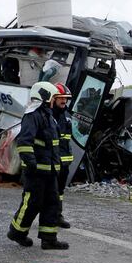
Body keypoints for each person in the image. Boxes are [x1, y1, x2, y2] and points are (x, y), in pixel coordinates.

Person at [7, 81, 69, 250]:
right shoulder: (32, 115)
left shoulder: (49, 116)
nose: (55, 100)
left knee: (52, 204)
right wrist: (31, 164)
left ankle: (49, 239)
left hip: (50, 172)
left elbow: (53, 145)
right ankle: (17, 232)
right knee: (32, 203)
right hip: (36, 172)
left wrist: (58, 166)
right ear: (45, 97)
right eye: (53, 97)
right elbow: (24, 142)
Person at [53, 83, 73, 229]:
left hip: (64, 162)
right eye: (61, 97)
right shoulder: (48, 114)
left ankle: (57, 216)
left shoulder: (66, 115)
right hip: (52, 161)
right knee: (49, 191)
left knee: (59, 191)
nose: (64, 100)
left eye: (66, 98)